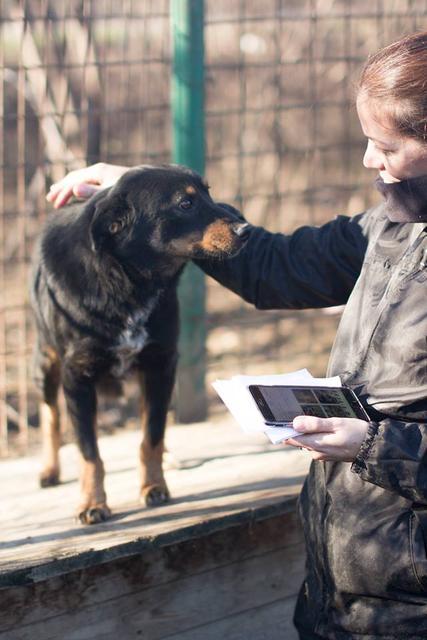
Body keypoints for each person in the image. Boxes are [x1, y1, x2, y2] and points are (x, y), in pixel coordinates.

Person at [46, 32, 427, 640]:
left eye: (385, 146)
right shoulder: (388, 228)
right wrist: (140, 188)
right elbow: (271, 265)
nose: (366, 161)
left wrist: (376, 444)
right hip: (343, 587)